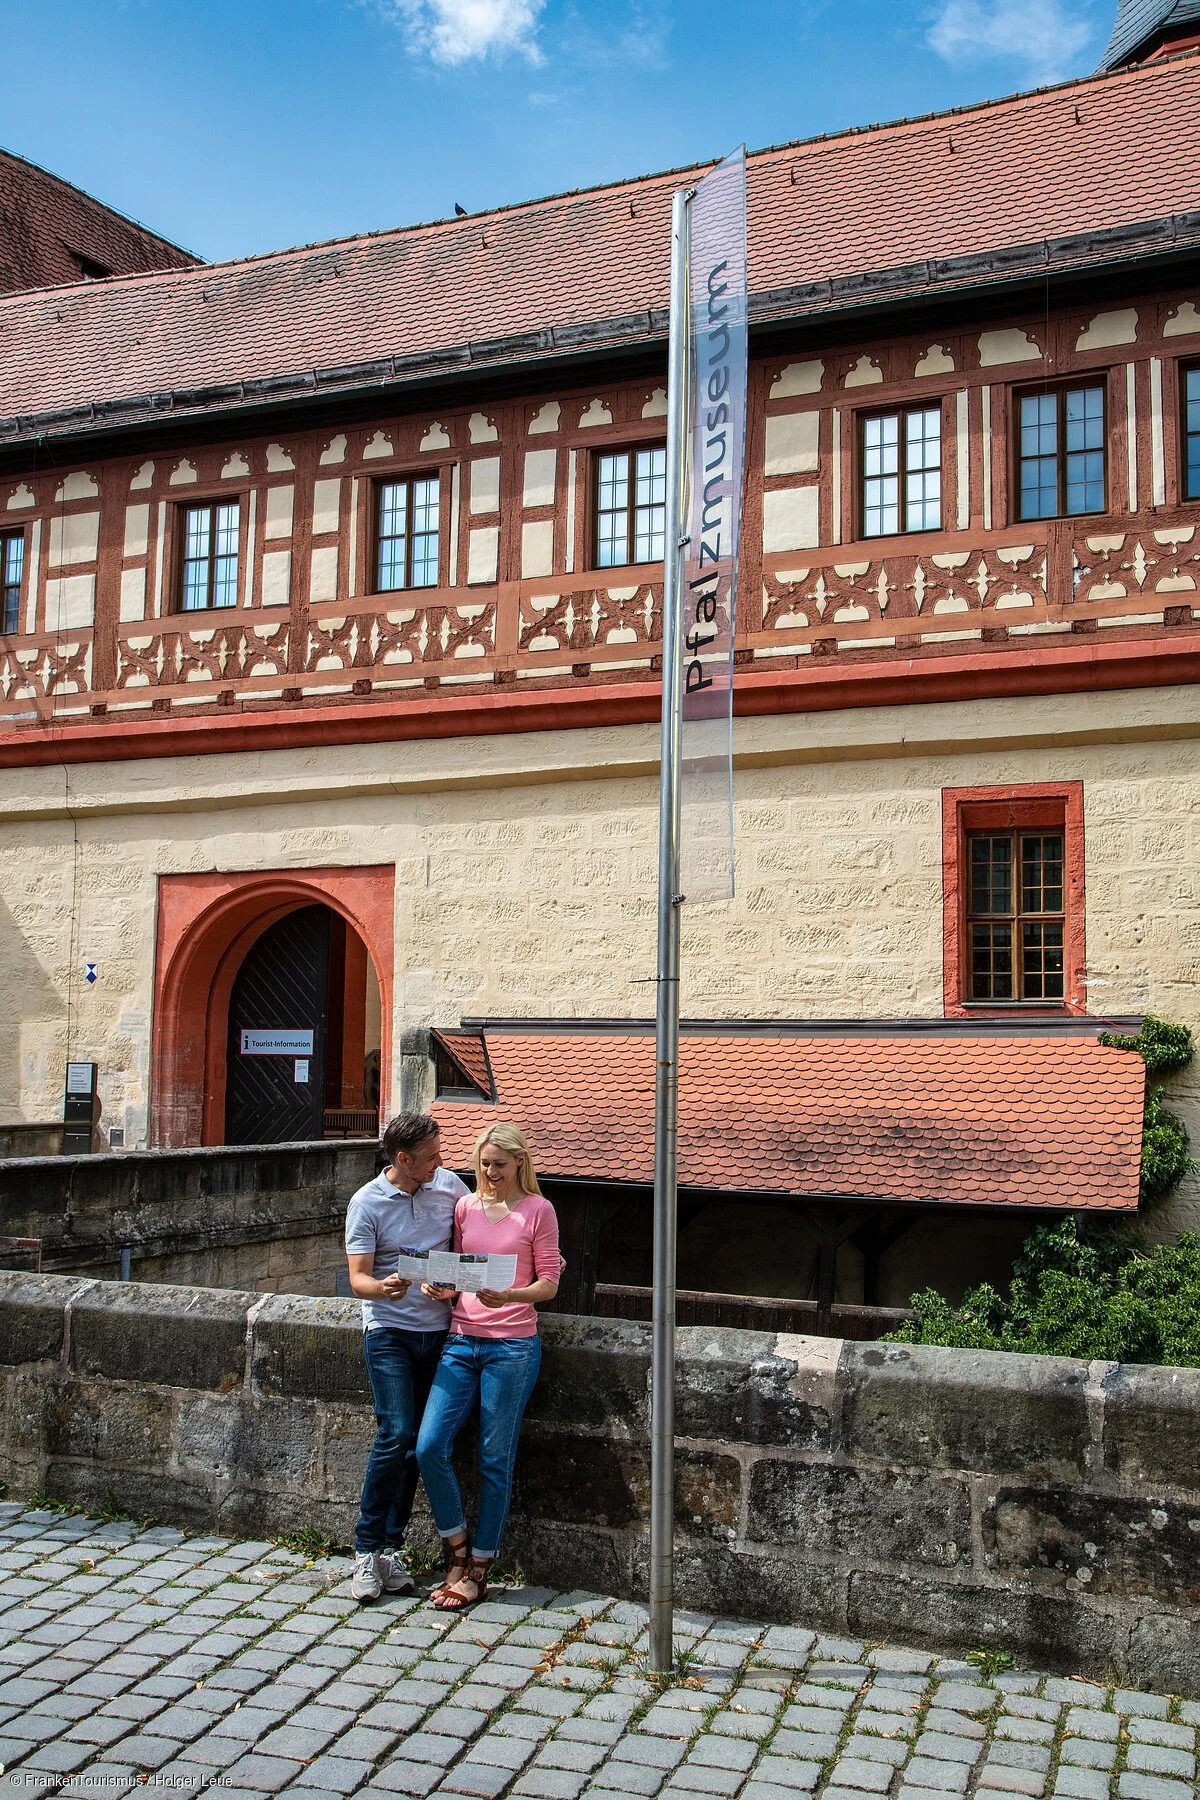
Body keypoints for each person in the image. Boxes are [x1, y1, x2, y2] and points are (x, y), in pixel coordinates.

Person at [416, 1121, 559, 1612]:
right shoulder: (465, 1207)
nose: (490, 1172)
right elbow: (460, 1272)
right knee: (429, 1445)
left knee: (494, 1459)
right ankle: (455, 1545)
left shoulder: (538, 1210)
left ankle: (478, 1565)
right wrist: (442, 1287)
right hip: (460, 1340)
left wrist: (511, 1294)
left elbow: (549, 1283)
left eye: (499, 1164)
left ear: (520, 1161)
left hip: (512, 1347)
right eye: (484, 1163)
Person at [344, 1111, 467, 1603]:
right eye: (432, 1157)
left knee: (418, 1443)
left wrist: (454, 1283)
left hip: (439, 1332)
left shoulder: (449, 1186)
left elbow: (475, 1239)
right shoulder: (366, 1202)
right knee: (395, 1433)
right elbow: (358, 1279)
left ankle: (390, 1550)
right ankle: (365, 1549)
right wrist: (384, 1287)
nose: (441, 1164)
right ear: (403, 1159)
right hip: (390, 1331)